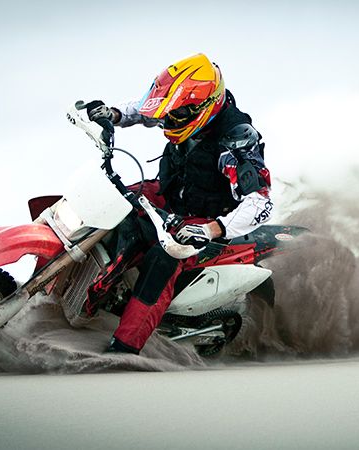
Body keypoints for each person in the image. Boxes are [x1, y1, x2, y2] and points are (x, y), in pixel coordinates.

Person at [84, 53, 273, 354]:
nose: (168, 121)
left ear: (204, 106)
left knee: (164, 257)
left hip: (204, 217)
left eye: (176, 115)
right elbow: (147, 110)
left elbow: (260, 201)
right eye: (170, 113)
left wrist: (211, 229)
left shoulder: (236, 139)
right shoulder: (187, 111)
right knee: (114, 200)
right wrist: (114, 114)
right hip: (172, 193)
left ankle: (124, 349)